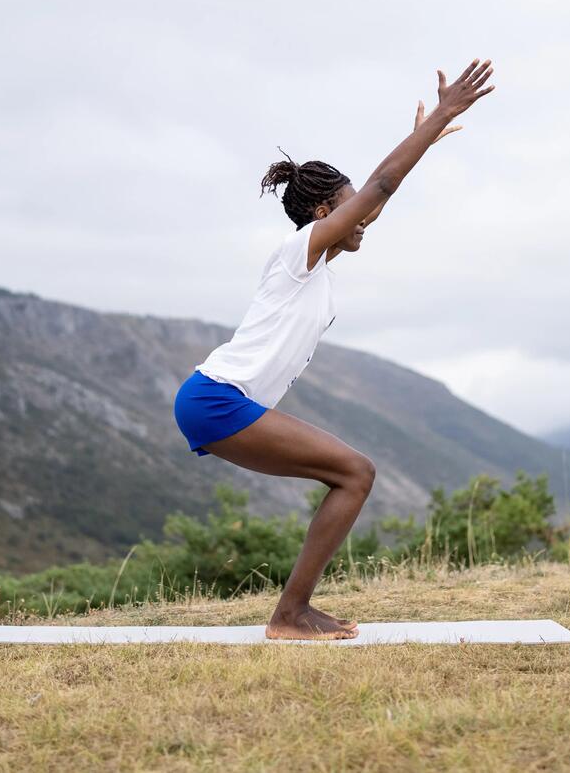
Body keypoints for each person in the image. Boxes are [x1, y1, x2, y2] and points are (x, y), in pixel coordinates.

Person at [171, 58, 496, 640]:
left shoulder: (318, 262)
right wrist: (438, 117)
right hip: (217, 399)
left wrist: (422, 144)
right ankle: (290, 615)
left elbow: (375, 196)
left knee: (350, 475)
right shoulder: (301, 252)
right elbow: (378, 186)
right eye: (349, 210)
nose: (364, 221)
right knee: (356, 473)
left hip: (218, 401)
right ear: (324, 213)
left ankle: (292, 611)